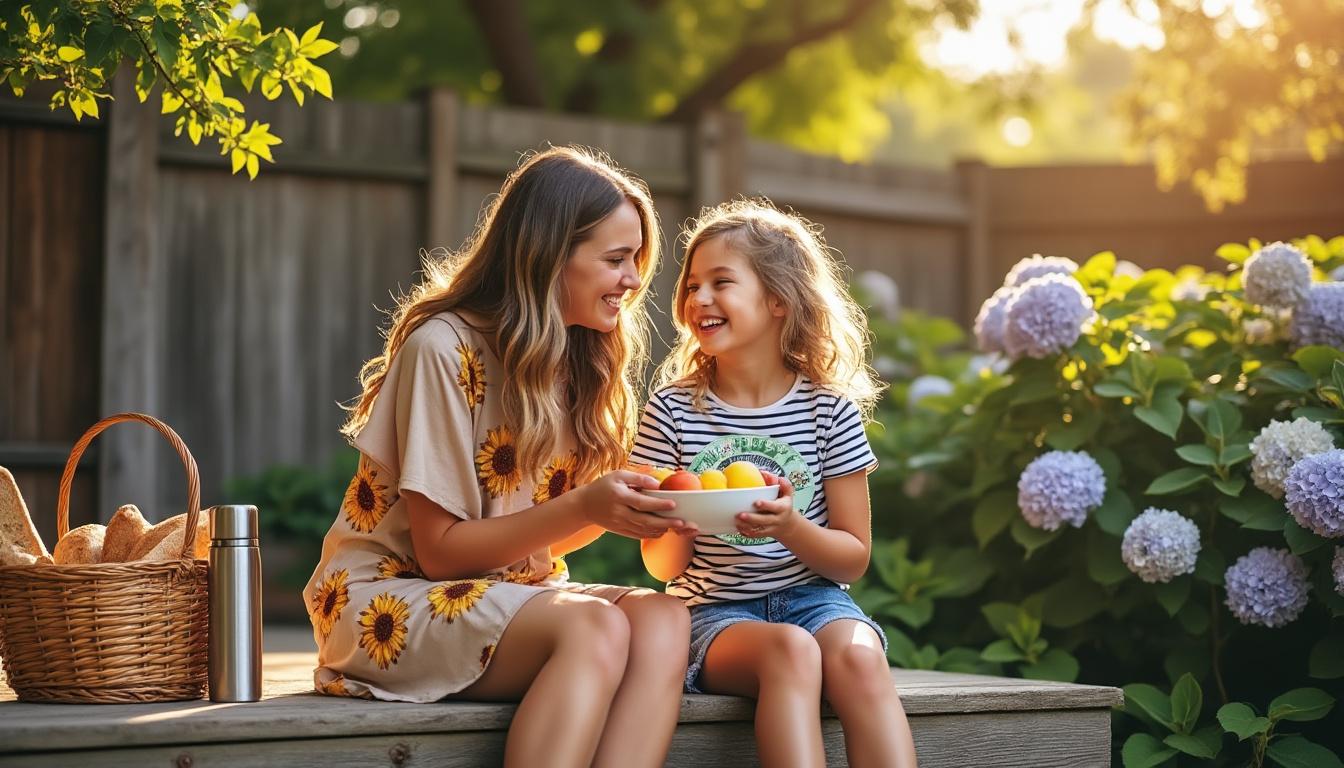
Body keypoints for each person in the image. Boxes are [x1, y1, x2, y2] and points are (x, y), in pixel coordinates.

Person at [303, 146, 692, 768]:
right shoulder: (442, 349)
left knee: (664, 620)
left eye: (636, 261)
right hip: (390, 602)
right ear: (548, 255)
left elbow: (538, 537)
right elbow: (440, 554)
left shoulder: (578, 357)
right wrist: (585, 506)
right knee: (594, 625)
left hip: (507, 591)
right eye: (616, 259)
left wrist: (632, 509)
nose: (633, 280)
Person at [634, 199, 918, 767]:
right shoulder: (670, 412)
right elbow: (663, 569)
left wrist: (790, 527)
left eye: (721, 282)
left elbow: (852, 558)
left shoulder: (829, 411)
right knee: (790, 652)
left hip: (817, 600)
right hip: (711, 613)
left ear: (778, 300)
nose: (699, 298)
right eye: (692, 286)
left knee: (861, 659)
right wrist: (675, 524)